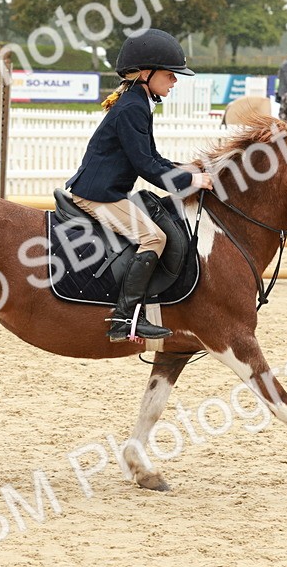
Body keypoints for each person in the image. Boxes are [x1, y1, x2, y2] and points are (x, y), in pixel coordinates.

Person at [66, 29, 214, 343]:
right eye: (170, 74)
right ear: (146, 74)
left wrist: (186, 169)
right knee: (154, 237)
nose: (174, 80)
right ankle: (123, 318)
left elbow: (152, 157)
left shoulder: (138, 101)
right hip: (98, 195)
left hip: (108, 191)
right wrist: (190, 181)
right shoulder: (132, 107)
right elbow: (145, 167)